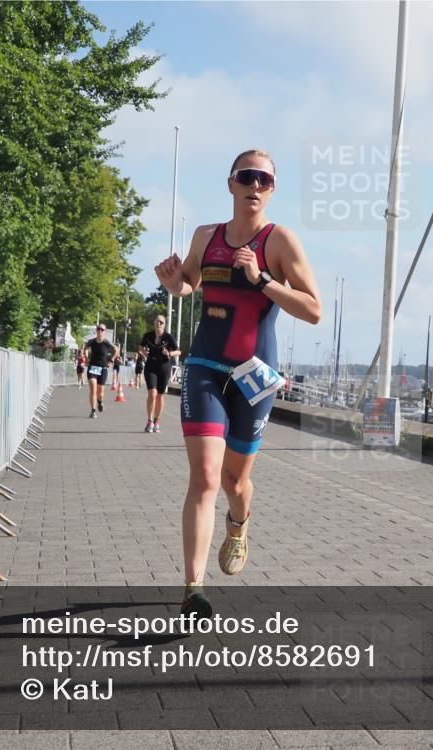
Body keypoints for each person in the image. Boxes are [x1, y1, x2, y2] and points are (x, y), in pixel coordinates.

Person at [155, 148, 320, 617]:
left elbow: (313, 310)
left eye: (264, 180)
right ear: (231, 183)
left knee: (234, 481)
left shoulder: (279, 241)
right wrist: (173, 284)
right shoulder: (206, 236)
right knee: (205, 477)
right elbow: (188, 283)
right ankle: (193, 589)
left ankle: (240, 522)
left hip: (256, 375)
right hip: (205, 366)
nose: (255, 185)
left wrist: (262, 278)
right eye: (247, 177)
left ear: (272, 190)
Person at [139, 316, 181, 433]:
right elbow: (141, 347)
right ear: (154, 323)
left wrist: (170, 353)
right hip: (150, 367)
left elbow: (179, 351)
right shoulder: (148, 335)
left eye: (161, 322)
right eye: (157, 321)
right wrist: (145, 355)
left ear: (164, 325)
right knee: (152, 393)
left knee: (160, 396)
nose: (159, 324)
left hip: (164, 367)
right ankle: (149, 421)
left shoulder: (168, 337)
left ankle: (157, 421)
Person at [83, 325, 120, 418]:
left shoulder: (107, 342)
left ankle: (100, 402)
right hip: (92, 367)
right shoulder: (91, 341)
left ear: (104, 331)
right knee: (93, 388)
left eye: (102, 329)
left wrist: (111, 360)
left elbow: (116, 349)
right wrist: (86, 358)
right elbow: (85, 348)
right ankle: (93, 410)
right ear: (96, 331)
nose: (100, 331)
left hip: (103, 368)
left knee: (100, 391)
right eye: (98, 329)